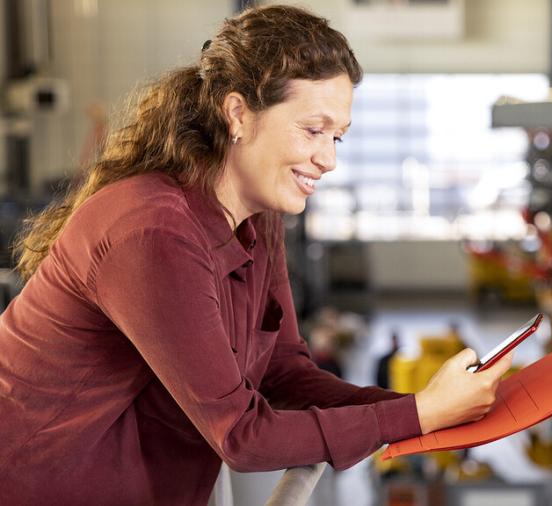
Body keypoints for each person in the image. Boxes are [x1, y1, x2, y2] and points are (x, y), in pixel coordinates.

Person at [0, 5, 512, 505]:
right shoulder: (153, 231)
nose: (329, 159)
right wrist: (418, 415)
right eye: (312, 130)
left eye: (337, 137)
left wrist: (423, 409)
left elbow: (283, 374)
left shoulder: (256, 218)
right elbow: (242, 436)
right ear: (238, 113)